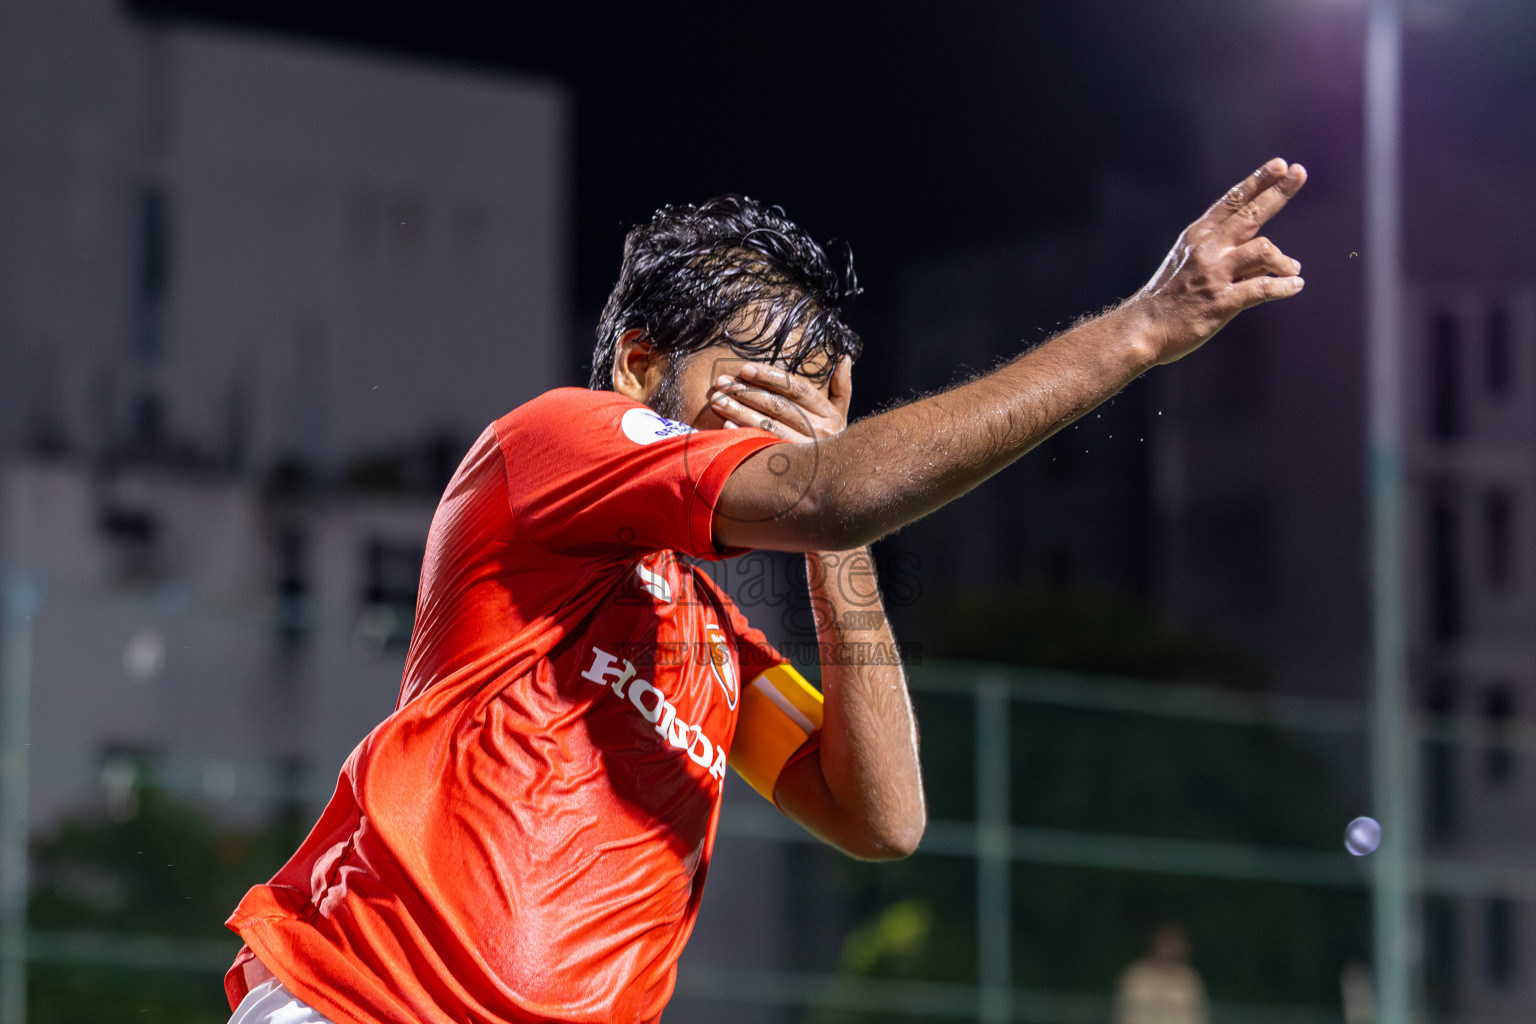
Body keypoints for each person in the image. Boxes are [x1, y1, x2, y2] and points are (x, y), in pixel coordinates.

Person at [224, 158, 1308, 1024]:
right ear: (642, 369)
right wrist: (1139, 330)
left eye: (802, 409)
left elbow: (884, 817)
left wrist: (834, 538)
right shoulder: (546, 445)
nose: (771, 433)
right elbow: (830, 490)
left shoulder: (708, 645)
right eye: (751, 384)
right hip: (368, 1003)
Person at [1113, 923, 1210, 1024]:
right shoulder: (1137, 976)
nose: (1168, 951)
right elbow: (1127, 1013)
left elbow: (1197, 1015)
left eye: (1173, 945)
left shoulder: (1189, 978)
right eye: (1165, 945)